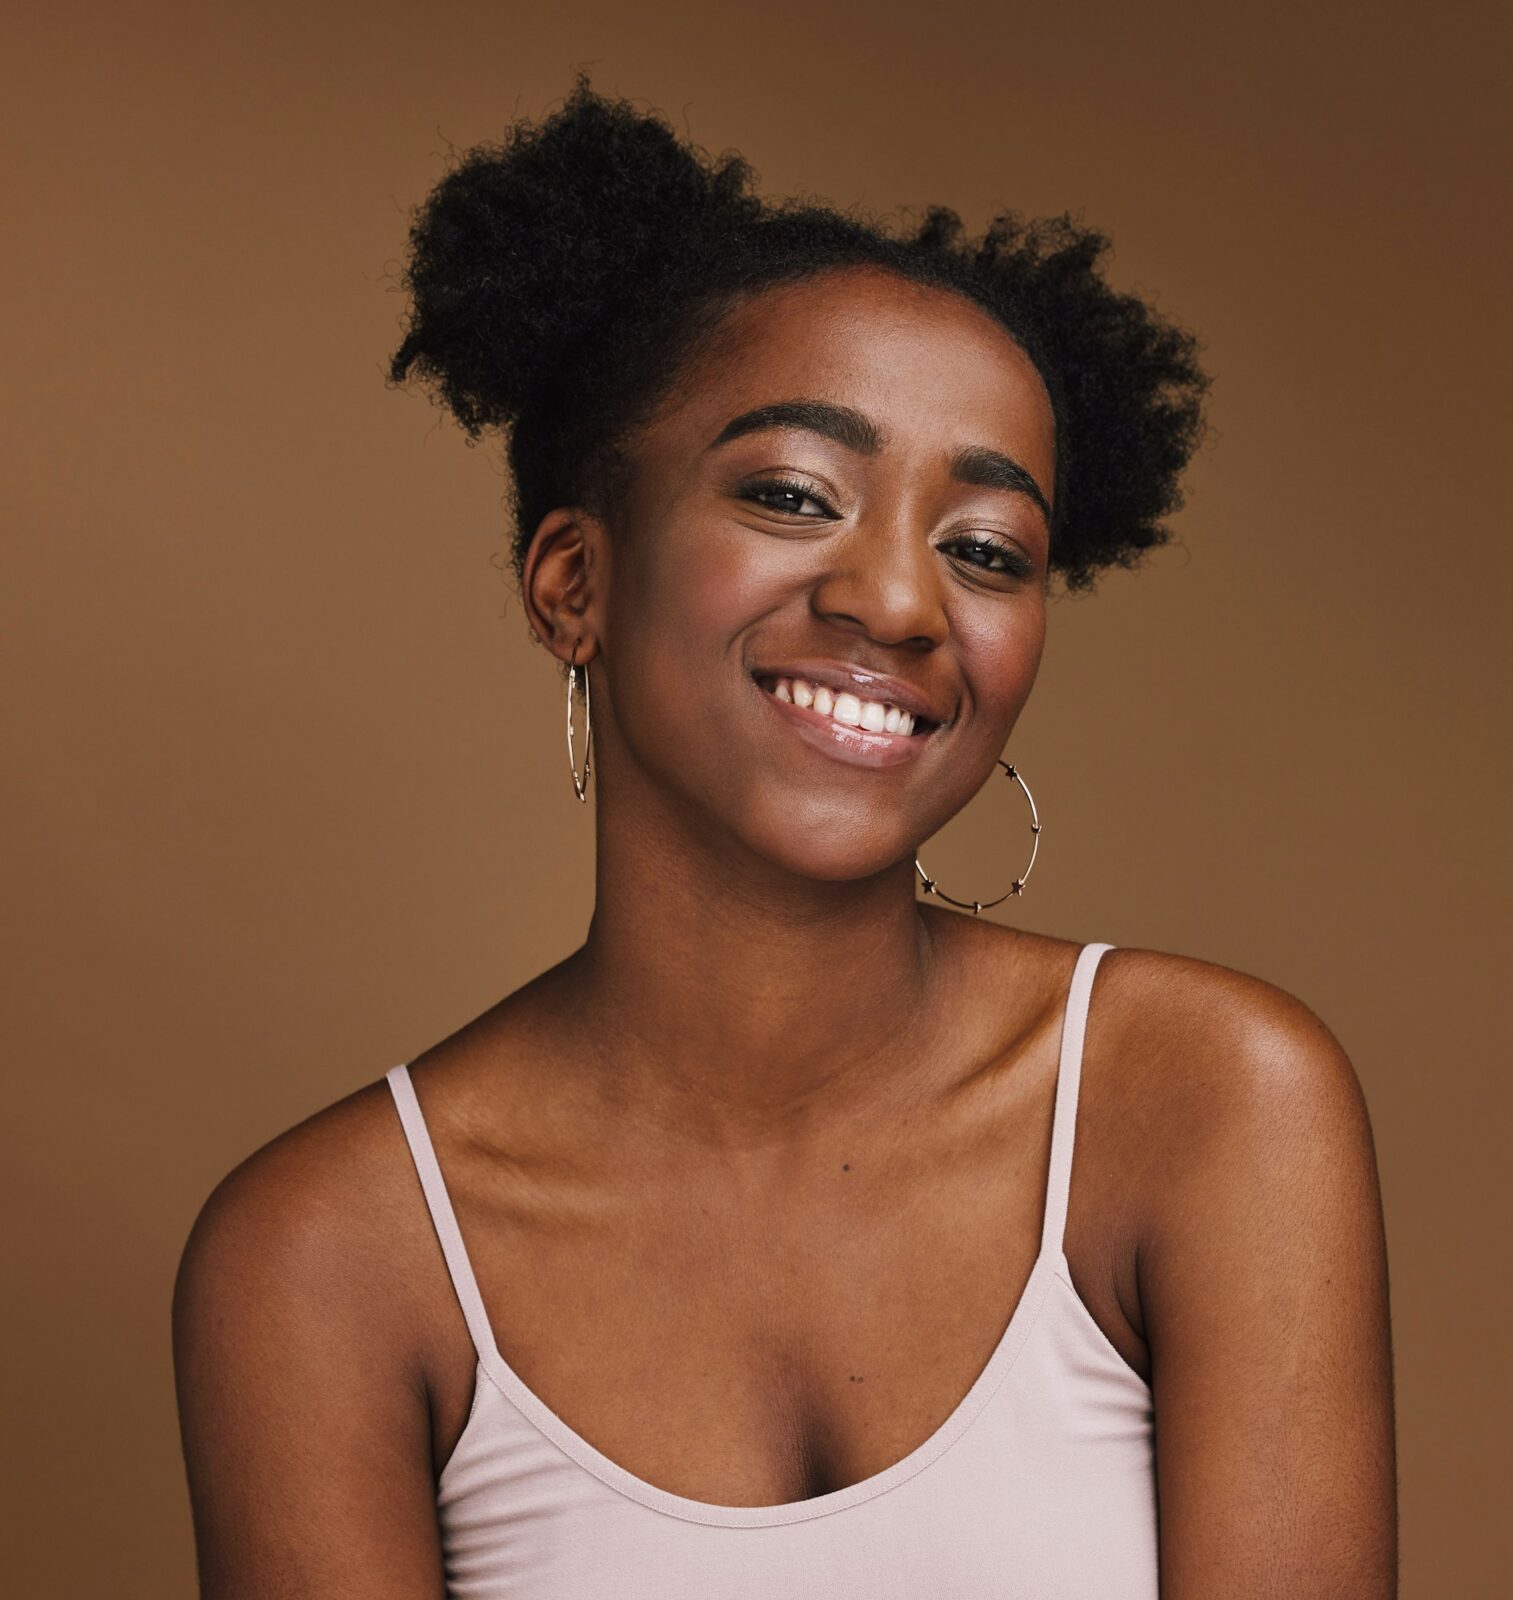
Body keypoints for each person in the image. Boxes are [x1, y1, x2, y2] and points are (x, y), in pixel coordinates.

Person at [171, 75, 1397, 1598]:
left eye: (985, 550)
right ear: (573, 583)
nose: (898, 601)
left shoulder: (1209, 1106)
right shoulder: (331, 1256)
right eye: (792, 493)